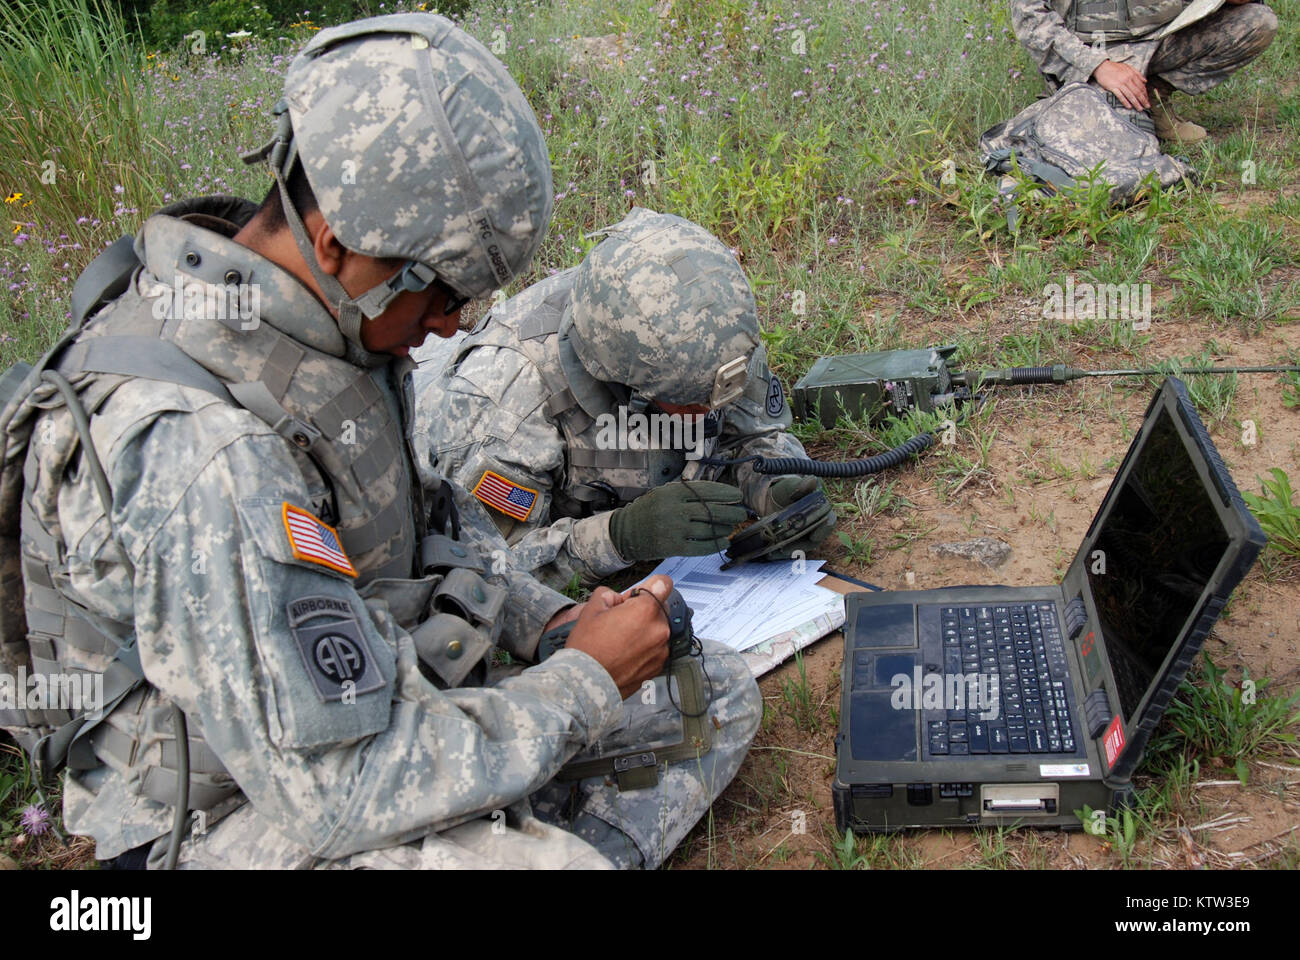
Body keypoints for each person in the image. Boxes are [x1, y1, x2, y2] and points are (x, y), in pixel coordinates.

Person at [0, 14, 759, 870]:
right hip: (230, 810)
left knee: (714, 691)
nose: (450, 327)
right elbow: (340, 790)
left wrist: (553, 625)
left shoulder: (327, 333)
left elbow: (438, 525)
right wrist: (583, 683)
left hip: (372, 696)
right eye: (440, 298)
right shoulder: (203, 451)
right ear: (338, 244)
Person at [413, 207, 834, 592]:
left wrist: (773, 486)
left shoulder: (708, 334)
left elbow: (752, 432)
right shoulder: (504, 412)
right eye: (687, 404)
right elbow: (489, 565)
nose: (707, 414)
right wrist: (620, 536)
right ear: (620, 380)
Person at [1011, 0, 1279, 143]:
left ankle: (1154, 95)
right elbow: (1031, 19)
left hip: (1163, 37)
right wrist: (1096, 66)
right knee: (1108, 146)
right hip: (1094, 53)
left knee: (1257, 22)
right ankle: (1109, 100)